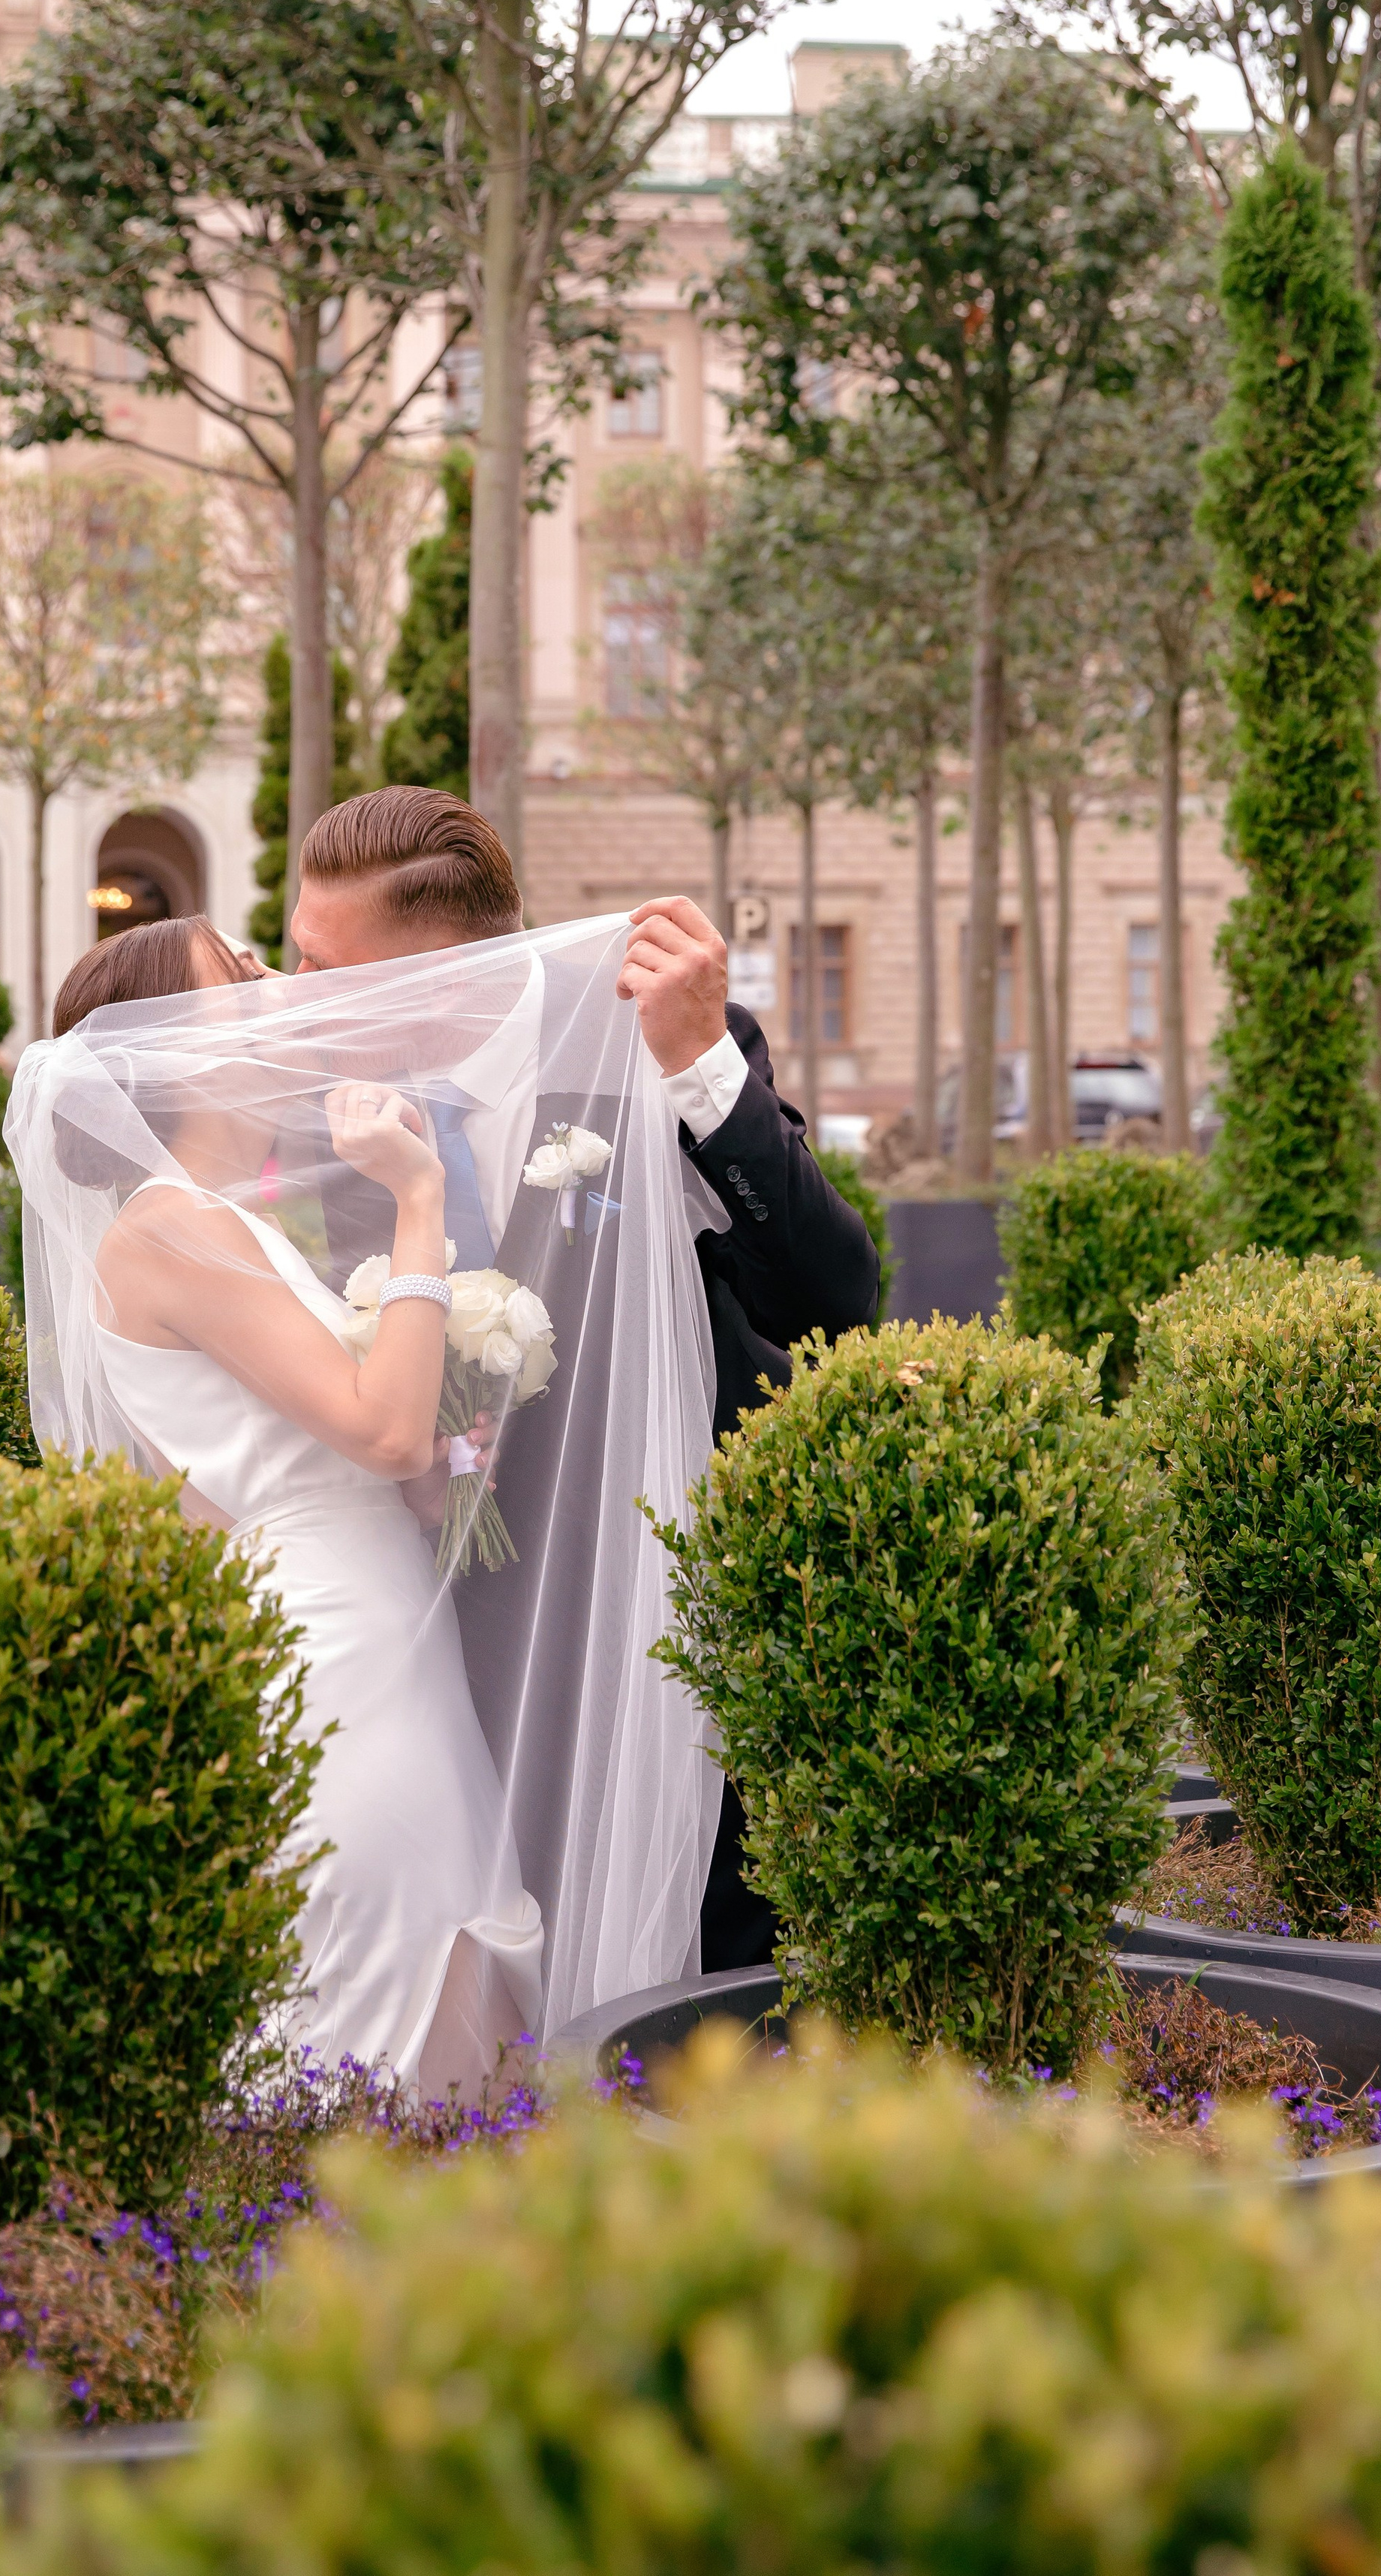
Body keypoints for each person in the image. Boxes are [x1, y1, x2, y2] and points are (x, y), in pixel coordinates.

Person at [288, 788, 882, 1973]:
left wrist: (706, 1068)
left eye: (328, 975)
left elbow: (831, 1301)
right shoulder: (327, 1124)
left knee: (686, 1967)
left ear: (445, 983)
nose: (295, 1005)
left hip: (672, 1625)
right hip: (446, 1643)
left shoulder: (650, 1042)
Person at [20, 911, 544, 2098]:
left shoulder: (234, 1223)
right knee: (370, 2007)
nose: (275, 982)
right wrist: (418, 1202)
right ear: (175, 1049)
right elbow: (379, 1426)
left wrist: (440, 1463)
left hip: (384, 1639)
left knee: (445, 1962)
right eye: (242, 973)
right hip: (338, 1669)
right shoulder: (170, 1232)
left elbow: (373, 1462)